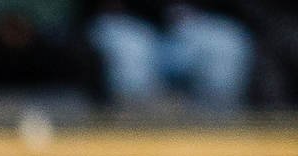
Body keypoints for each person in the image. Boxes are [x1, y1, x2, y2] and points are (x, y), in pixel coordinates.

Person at [85, 0, 255, 109]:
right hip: (133, 24)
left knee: (226, 43)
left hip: (198, 23)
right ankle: (133, 135)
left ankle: (216, 134)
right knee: (128, 47)